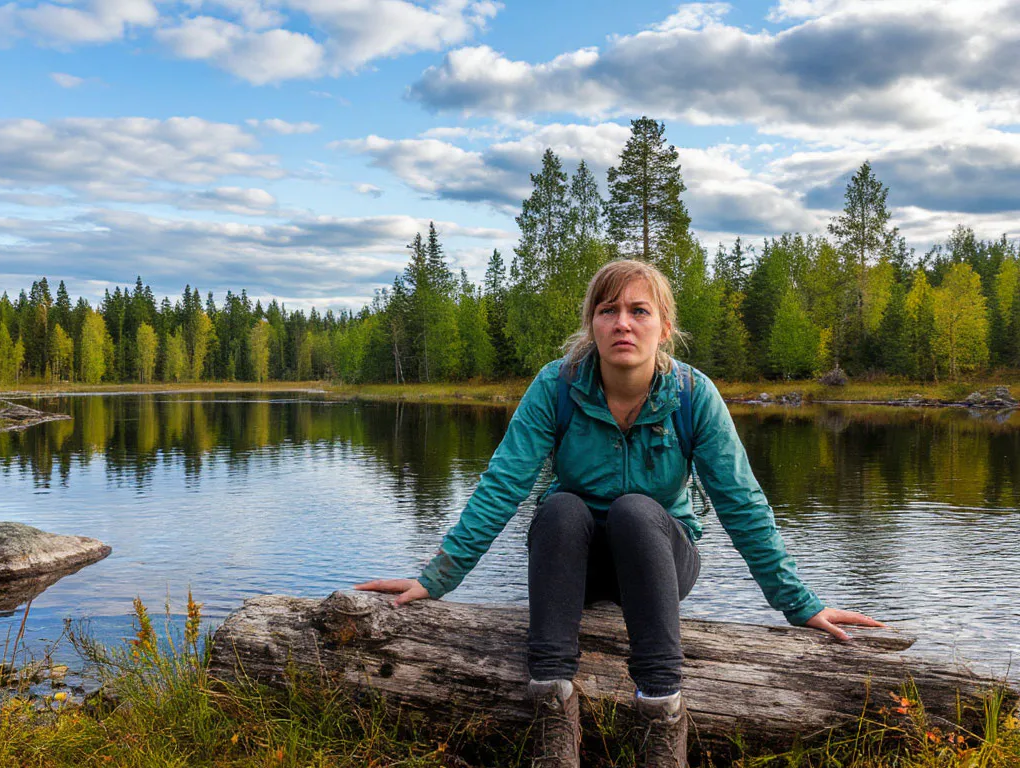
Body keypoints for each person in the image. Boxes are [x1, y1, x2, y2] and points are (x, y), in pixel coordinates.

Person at [355, 259, 883, 768]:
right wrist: (436, 578)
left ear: (665, 327)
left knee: (634, 510)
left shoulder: (693, 396)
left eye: (639, 310)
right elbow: (502, 486)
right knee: (559, 507)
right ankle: (553, 715)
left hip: (660, 557)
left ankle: (660, 714)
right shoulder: (556, 386)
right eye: (607, 310)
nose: (622, 323)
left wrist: (798, 604)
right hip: (574, 564)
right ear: (591, 325)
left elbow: (743, 504)